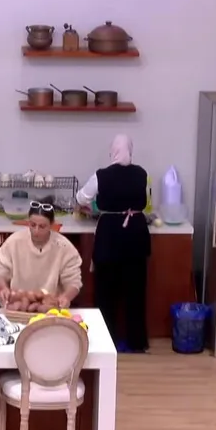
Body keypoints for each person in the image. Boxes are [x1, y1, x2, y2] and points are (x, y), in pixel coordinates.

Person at [77, 134, 151, 353]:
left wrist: (91, 205)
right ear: (130, 150)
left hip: (110, 235)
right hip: (136, 233)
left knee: (106, 292)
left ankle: (106, 342)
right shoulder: (141, 173)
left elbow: (82, 198)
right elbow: (143, 200)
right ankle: (137, 343)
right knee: (135, 292)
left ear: (113, 151)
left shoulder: (102, 175)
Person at [0, 203, 83, 309]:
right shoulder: (14, 242)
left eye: (42, 226)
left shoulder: (64, 247)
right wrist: (3, 288)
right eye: (32, 225)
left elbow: (73, 281)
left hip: (51, 308)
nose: (36, 231)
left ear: (52, 225)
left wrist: (66, 297)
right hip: (17, 305)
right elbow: (0, 272)